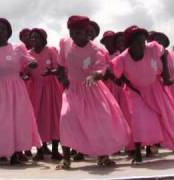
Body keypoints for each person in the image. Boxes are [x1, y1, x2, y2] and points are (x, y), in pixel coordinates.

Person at [56, 15, 130, 169]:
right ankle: (66, 159)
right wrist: (63, 79)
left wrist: (93, 76)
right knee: (66, 118)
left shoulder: (97, 49)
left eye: (78, 32)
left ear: (86, 31)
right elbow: (61, 65)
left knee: (100, 120)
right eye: (72, 32)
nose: (74, 36)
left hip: (93, 89)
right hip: (73, 89)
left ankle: (103, 156)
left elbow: (101, 71)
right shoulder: (65, 43)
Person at [110, 25, 174, 163]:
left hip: (155, 88)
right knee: (138, 120)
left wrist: (165, 75)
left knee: (169, 116)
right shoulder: (122, 58)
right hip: (136, 92)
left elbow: (164, 54)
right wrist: (124, 82)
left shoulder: (152, 48)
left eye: (143, 42)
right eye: (138, 43)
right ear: (130, 45)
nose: (142, 45)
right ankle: (137, 152)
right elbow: (111, 72)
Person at [0, 18, 41, 165]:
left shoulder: (18, 46)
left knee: (18, 121)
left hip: (16, 89)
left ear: (8, 31)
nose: (0, 31)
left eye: (3, 29)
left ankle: (16, 153)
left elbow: (29, 60)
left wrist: (33, 63)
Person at [27, 28, 63, 161]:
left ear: (43, 38)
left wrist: (51, 72)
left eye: (37, 37)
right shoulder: (28, 53)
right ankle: (40, 150)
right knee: (38, 119)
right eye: (32, 37)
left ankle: (55, 150)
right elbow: (25, 70)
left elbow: (59, 69)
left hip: (51, 89)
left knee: (54, 118)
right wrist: (25, 75)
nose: (34, 40)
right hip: (35, 90)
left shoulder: (51, 50)